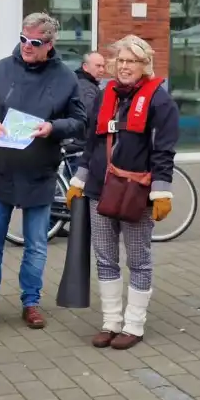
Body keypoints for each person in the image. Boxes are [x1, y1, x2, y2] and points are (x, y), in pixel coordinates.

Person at [0, 12, 86, 329]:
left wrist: (54, 127)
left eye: (34, 42)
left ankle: (31, 303)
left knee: (36, 244)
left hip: (39, 170)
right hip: (1, 168)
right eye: (23, 39)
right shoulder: (3, 68)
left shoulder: (65, 77)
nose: (26, 47)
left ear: (49, 44)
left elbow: (80, 121)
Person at [65, 35, 179, 349]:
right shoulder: (105, 96)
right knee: (105, 259)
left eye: (133, 61)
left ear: (145, 65)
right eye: (122, 61)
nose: (125, 66)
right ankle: (111, 322)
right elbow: (91, 143)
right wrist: (79, 180)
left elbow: (163, 151)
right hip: (100, 189)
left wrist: (162, 192)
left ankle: (134, 325)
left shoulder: (159, 100)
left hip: (135, 190)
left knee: (139, 260)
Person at [63, 50, 106, 161]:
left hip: (76, 144)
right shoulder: (85, 87)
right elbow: (91, 114)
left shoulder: (83, 83)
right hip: (80, 147)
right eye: (98, 66)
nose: (102, 70)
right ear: (85, 67)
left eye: (103, 66)